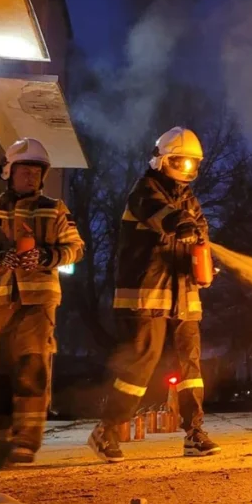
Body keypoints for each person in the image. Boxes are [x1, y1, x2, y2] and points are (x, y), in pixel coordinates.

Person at [88, 127, 220, 462]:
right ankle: (107, 430)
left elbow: (199, 232)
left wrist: (204, 266)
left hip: (184, 296)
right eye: (180, 161)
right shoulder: (144, 189)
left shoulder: (189, 198)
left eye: (192, 164)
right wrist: (182, 224)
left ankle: (194, 433)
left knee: (191, 366)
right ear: (161, 159)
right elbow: (160, 215)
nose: (186, 170)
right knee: (140, 365)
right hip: (146, 295)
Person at [0, 138, 84, 470]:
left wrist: (47, 255)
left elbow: (75, 248)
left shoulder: (55, 209)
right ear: (9, 171)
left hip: (37, 304)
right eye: (25, 170)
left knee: (32, 370)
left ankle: (25, 442)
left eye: (37, 172)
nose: (31, 178)